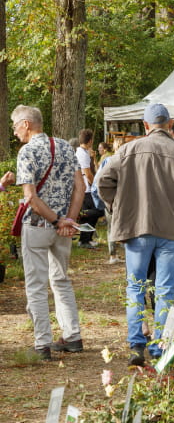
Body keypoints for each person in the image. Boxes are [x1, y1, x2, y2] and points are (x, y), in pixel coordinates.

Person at [97, 103, 174, 366]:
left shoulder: (127, 149)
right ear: (170, 123)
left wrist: (116, 206)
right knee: (165, 290)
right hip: (171, 230)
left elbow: (102, 181)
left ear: (145, 125)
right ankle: (159, 346)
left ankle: (136, 346)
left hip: (136, 228)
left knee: (135, 287)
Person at [12, 104, 85, 361]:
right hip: (62, 227)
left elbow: (30, 197)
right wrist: (69, 220)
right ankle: (72, 335)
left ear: (26, 124)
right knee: (61, 280)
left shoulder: (27, 152)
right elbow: (80, 186)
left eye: (15, 125)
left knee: (36, 285)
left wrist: (56, 221)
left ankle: (42, 342)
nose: (14, 131)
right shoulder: (65, 146)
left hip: (38, 225)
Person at [76, 129, 104, 248]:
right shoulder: (82, 154)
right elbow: (87, 174)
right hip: (86, 189)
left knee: (90, 213)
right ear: (90, 141)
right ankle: (84, 240)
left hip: (84, 189)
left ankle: (87, 238)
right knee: (96, 211)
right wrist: (95, 186)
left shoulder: (83, 152)